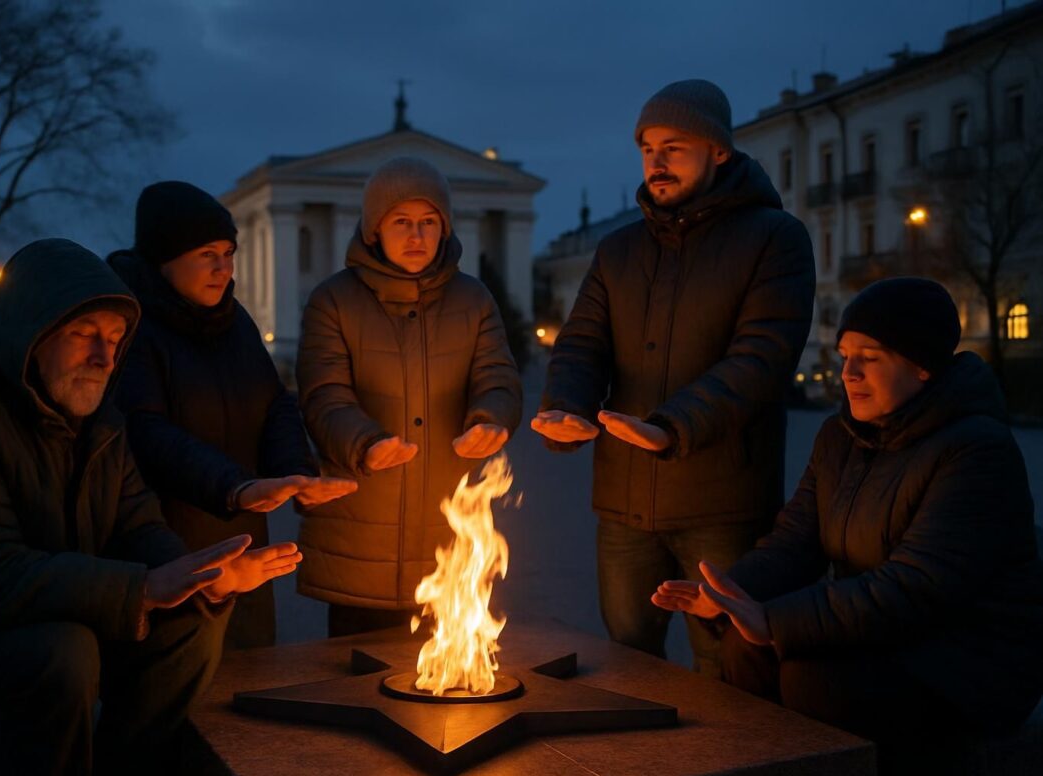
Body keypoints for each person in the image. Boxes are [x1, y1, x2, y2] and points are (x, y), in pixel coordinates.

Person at [0, 239, 304, 776]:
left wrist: (203, 578)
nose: (104, 356)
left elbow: (137, 526)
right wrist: (142, 590)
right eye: (82, 335)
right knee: (62, 651)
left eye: (115, 338)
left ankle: (129, 767)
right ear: (29, 333)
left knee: (191, 624)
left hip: (52, 617)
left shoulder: (99, 423)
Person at [653, 278, 1043, 764]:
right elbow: (797, 540)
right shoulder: (841, 437)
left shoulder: (975, 450)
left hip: (967, 658)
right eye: (844, 355)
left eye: (871, 357)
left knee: (811, 677)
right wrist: (732, 593)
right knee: (744, 648)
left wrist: (775, 619)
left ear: (922, 366)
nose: (849, 373)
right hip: (885, 635)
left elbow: (917, 587)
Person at [532, 79, 815, 676]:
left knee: (728, 659)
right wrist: (567, 407)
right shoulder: (618, 250)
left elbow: (761, 358)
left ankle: (737, 767)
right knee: (629, 657)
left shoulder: (775, 239)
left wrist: (671, 426)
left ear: (719, 152)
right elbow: (582, 342)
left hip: (723, 503)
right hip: (625, 503)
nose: (656, 162)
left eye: (674, 146)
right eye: (647, 148)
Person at [109, 181, 356, 649]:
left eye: (228, 252)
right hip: (164, 544)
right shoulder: (131, 325)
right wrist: (233, 487)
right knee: (179, 685)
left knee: (249, 681)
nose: (223, 268)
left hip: (243, 542)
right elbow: (145, 431)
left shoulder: (233, 319)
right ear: (165, 258)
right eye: (207, 254)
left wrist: (294, 471)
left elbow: (274, 402)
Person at [296, 157, 522, 637]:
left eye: (428, 223)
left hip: (448, 536)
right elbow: (323, 394)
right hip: (360, 536)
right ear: (375, 228)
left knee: (446, 694)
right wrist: (365, 443)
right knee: (358, 683)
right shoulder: (333, 301)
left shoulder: (473, 300)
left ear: (444, 229)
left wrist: (491, 418)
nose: (416, 236)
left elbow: (497, 375)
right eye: (401, 222)